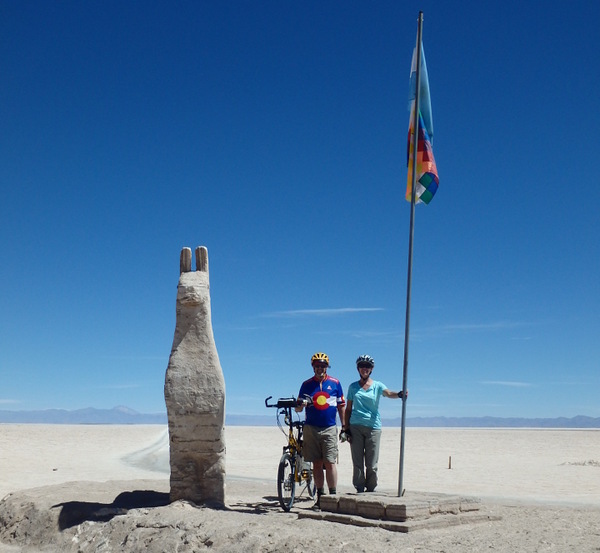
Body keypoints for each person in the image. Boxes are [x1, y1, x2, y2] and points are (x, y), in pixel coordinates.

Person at [344, 354, 406, 493]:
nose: (364, 369)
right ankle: (359, 488)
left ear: (371, 369)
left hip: (373, 427)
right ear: (358, 368)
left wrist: (399, 394)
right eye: (361, 366)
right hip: (355, 426)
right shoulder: (353, 387)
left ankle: (371, 488)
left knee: (372, 463)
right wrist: (346, 428)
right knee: (357, 462)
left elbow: (389, 393)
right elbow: (348, 409)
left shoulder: (377, 386)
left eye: (367, 366)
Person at [296, 352, 346, 509]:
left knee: (330, 462)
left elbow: (341, 406)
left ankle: (332, 497)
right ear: (313, 367)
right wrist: (301, 405)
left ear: (327, 368)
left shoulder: (335, 383)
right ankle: (320, 497)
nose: (320, 369)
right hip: (311, 428)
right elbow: (297, 408)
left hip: (329, 428)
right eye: (317, 366)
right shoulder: (306, 385)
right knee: (316, 464)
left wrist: (345, 427)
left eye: (323, 366)